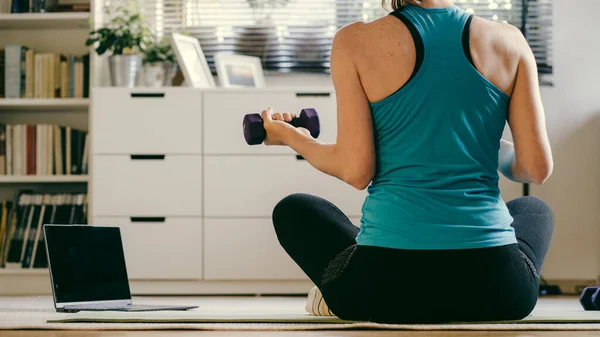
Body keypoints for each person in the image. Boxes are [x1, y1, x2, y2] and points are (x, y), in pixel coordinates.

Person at [263, 0, 554, 324]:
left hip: (380, 290)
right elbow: (535, 167)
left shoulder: (354, 41)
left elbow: (356, 170)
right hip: (500, 292)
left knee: (294, 209)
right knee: (535, 210)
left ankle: (336, 288)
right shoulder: (510, 41)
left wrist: (291, 136)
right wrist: (477, 143)